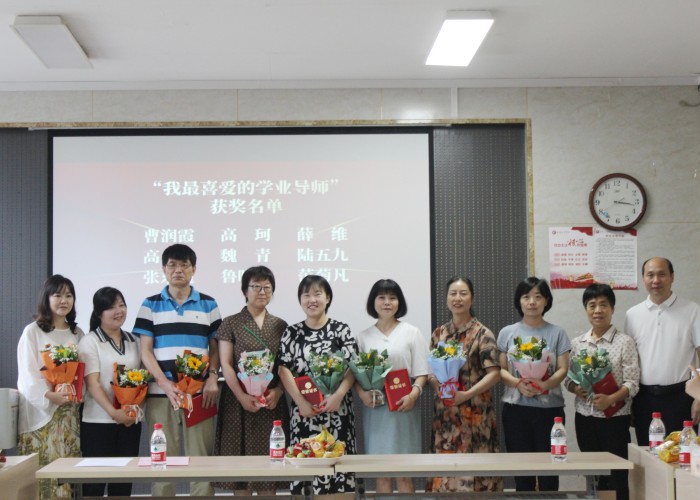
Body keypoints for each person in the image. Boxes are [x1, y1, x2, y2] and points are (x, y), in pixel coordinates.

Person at [133, 244, 222, 497]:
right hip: (161, 395)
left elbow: (215, 347)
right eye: (172, 265)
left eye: (184, 265)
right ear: (164, 269)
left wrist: (212, 377)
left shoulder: (208, 304)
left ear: (194, 269)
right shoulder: (150, 305)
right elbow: (145, 351)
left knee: (201, 460)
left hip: (200, 394)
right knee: (161, 459)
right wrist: (164, 383)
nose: (178, 270)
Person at [213, 266, 289, 496]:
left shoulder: (281, 325)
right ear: (245, 290)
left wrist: (279, 391)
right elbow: (226, 364)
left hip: (270, 402)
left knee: (270, 470)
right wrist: (242, 396)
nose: (262, 292)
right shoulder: (230, 323)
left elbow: (285, 366)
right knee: (241, 474)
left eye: (267, 287)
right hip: (238, 403)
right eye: (256, 286)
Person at [278, 275, 357, 496]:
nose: (312, 300)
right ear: (300, 300)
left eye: (317, 294)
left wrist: (338, 395)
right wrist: (300, 402)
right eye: (306, 295)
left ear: (328, 297)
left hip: (337, 411)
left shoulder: (341, 330)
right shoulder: (292, 333)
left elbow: (353, 367)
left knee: (339, 473)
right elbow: (283, 369)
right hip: (304, 413)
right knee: (305, 469)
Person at [426, 276, 502, 493]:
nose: (457, 298)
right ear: (446, 298)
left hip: (475, 414)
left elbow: (495, 374)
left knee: (477, 477)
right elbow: (431, 372)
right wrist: (437, 386)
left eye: (463, 293)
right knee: (446, 475)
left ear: (472, 298)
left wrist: (466, 394)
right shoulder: (439, 334)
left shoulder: (483, 333)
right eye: (453, 293)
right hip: (446, 416)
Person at [564, 284, 639, 500]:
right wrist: (576, 388)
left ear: (612, 308)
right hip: (585, 418)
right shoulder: (578, 344)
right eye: (592, 305)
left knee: (617, 475)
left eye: (603, 305)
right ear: (586, 309)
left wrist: (610, 399)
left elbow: (633, 383)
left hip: (614, 418)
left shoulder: (625, 342)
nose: (598, 310)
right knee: (592, 474)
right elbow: (568, 379)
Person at [356, 279, 429, 494]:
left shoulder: (412, 332)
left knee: (405, 474)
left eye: (392, 298)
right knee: (382, 475)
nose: (387, 302)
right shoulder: (363, 337)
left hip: (404, 407)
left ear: (399, 302)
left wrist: (413, 395)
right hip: (376, 410)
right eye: (381, 297)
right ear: (373, 302)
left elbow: (422, 372)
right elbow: (355, 376)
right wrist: (362, 394)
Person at [497, 277, 570, 492]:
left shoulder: (557, 333)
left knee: (550, 472)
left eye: (538, 297)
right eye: (526, 297)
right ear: (519, 301)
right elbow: (500, 370)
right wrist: (518, 383)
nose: (532, 302)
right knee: (522, 473)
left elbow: (563, 368)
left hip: (550, 412)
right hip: (515, 410)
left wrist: (545, 385)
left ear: (546, 301)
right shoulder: (507, 333)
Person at [17, 275, 84, 500]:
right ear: (46, 298)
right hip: (41, 413)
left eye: (69, 295)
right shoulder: (33, 331)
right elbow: (27, 375)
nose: (64, 300)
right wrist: (49, 395)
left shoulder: (77, 333)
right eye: (57, 295)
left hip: (68, 413)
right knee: (43, 474)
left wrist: (76, 393)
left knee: (67, 473)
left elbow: (81, 372)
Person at [624, 257, 700, 444]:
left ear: (672, 277)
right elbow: (628, 361)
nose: (656, 280)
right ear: (643, 278)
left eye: (662, 274)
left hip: (682, 398)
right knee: (648, 454)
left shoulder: (692, 310)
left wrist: (699, 397)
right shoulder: (632, 315)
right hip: (644, 398)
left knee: (682, 454)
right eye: (650, 275)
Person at [78, 287, 142, 497]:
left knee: (123, 484)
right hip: (98, 423)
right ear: (99, 313)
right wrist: (114, 413)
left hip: (129, 422)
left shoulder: (134, 341)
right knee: (94, 485)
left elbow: (141, 380)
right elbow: (93, 384)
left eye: (122, 305)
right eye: (111, 307)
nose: (119, 311)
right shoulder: (90, 341)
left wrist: (130, 412)